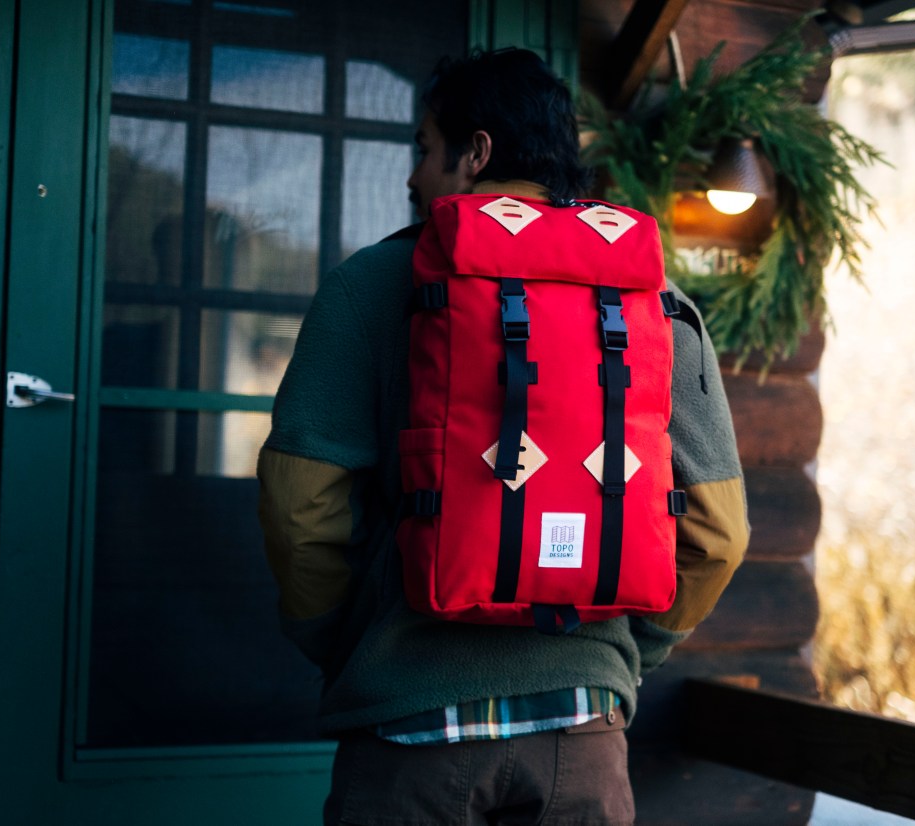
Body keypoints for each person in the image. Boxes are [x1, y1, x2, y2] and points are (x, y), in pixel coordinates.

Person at [257, 47, 749, 825]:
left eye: (422, 148)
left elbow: (298, 506)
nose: (412, 177)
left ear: (475, 151)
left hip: (409, 732)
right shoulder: (651, 299)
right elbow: (718, 532)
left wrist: (348, 642)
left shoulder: (366, 286)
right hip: (583, 735)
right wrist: (620, 653)